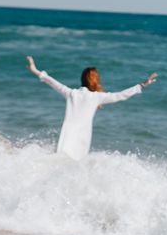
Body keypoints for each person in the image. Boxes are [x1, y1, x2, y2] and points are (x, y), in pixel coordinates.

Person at [26, 56, 158, 160]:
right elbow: (121, 95)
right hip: (83, 136)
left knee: (60, 159)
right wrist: (142, 85)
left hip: (67, 133)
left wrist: (35, 70)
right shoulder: (97, 97)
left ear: (82, 79)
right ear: (96, 80)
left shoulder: (72, 93)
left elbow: (51, 81)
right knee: (76, 164)